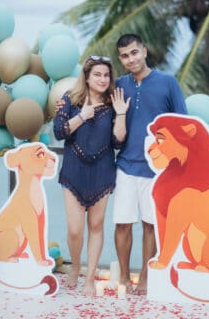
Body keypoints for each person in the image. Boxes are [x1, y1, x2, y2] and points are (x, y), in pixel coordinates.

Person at [113, 34, 187, 295]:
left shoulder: (167, 83)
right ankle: (123, 277)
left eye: (134, 53)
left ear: (144, 51)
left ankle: (146, 277)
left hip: (157, 170)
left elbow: (181, 124)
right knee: (122, 223)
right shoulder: (118, 85)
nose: (130, 59)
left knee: (150, 225)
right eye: (124, 55)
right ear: (120, 59)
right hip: (125, 166)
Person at [53, 56, 130, 297]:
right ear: (86, 76)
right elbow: (59, 132)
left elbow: (118, 142)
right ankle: (75, 265)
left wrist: (121, 114)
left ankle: (89, 277)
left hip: (103, 171)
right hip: (74, 169)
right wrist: (82, 116)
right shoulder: (70, 98)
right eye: (97, 74)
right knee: (75, 230)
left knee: (96, 226)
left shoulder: (112, 103)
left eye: (106, 75)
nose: (102, 79)